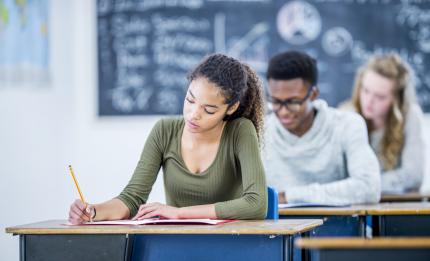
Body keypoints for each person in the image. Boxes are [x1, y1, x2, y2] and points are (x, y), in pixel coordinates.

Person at [68, 54, 268, 224]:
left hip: (231, 244)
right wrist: (92, 212)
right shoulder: (164, 130)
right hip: (177, 242)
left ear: (231, 108)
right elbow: (132, 199)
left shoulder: (240, 130)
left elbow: (256, 204)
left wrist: (179, 213)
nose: (193, 114)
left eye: (209, 110)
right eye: (190, 100)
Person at [263, 50, 381, 205]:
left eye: (293, 102)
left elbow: (369, 188)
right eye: (276, 101)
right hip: (273, 229)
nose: (283, 111)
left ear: (313, 94)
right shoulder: (258, 131)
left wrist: (289, 196)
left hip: (336, 227)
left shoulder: (347, 125)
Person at [344, 53, 426, 193]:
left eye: (380, 97)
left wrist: (365, 186)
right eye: (365, 90)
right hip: (355, 206)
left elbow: (414, 175)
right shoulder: (347, 115)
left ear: (396, 101)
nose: (368, 101)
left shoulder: (410, 116)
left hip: (397, 206)